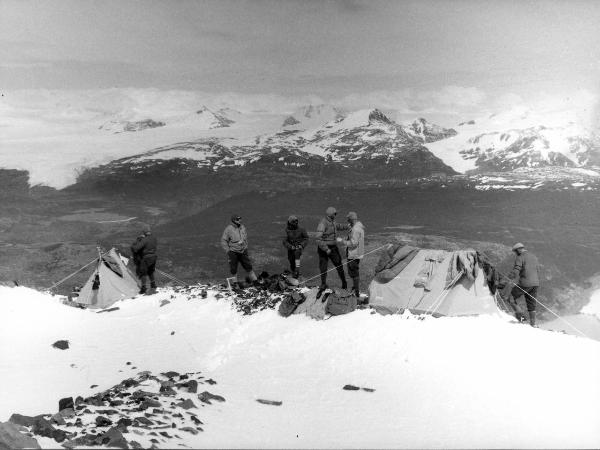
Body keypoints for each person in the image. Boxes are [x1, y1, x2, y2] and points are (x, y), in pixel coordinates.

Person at [315, 206, 350, 297]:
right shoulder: (322, 223)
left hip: (333, 247)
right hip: (324, 249)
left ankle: (344, 283)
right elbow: (318, 239)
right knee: (323, 267)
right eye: (335, 213)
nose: (336, 215)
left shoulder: (332, 221)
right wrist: (326, 249)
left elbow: (338, 226)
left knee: (339, 265)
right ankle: (323, 284)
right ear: (331, 214)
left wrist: (348, 226)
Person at [508, 242, 540, 327]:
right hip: (536, 283)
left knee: (511, 298)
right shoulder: (534, 256)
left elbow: (516, 270)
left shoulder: (520, 257)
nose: (515, 253)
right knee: (531, 303)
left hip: (525, 283)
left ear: (518, 250)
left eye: (515, 251)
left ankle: (521, 319)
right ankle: (533, 324)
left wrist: (509, 277)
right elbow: (537, 270)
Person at [221, 214, 257, 286]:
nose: (240, 220)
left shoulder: (242, 227)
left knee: (248, 267)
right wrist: (228, 251)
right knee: (233, 269)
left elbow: (245, 237)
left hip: (243, 251)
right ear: (234, 220)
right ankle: (235, 284)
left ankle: (255, 281)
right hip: (233, 252)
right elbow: (223, 241)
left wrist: (245, 246)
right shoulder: (228, 229)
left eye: (240, 219)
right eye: (238, 219)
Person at [130, 224, 158, 295]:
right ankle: (153, 285)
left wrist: (136, 241)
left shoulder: (144, 239)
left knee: (143, 273)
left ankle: (143, 288)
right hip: (154, 257)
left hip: (146, 258)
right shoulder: (154, 238)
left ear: (144, 232)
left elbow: (136, 248)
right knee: (151, 271)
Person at [343, 211, 365, 298]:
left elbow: (353, 243)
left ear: (351, 219)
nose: (347, 221)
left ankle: (356, 292)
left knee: (353, 272)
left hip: (354, 253)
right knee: (353, 271)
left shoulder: (355, 229)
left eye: (348, 219)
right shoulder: (358, 227)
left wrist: (343, 241)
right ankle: (355, 287)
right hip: (358, 253)